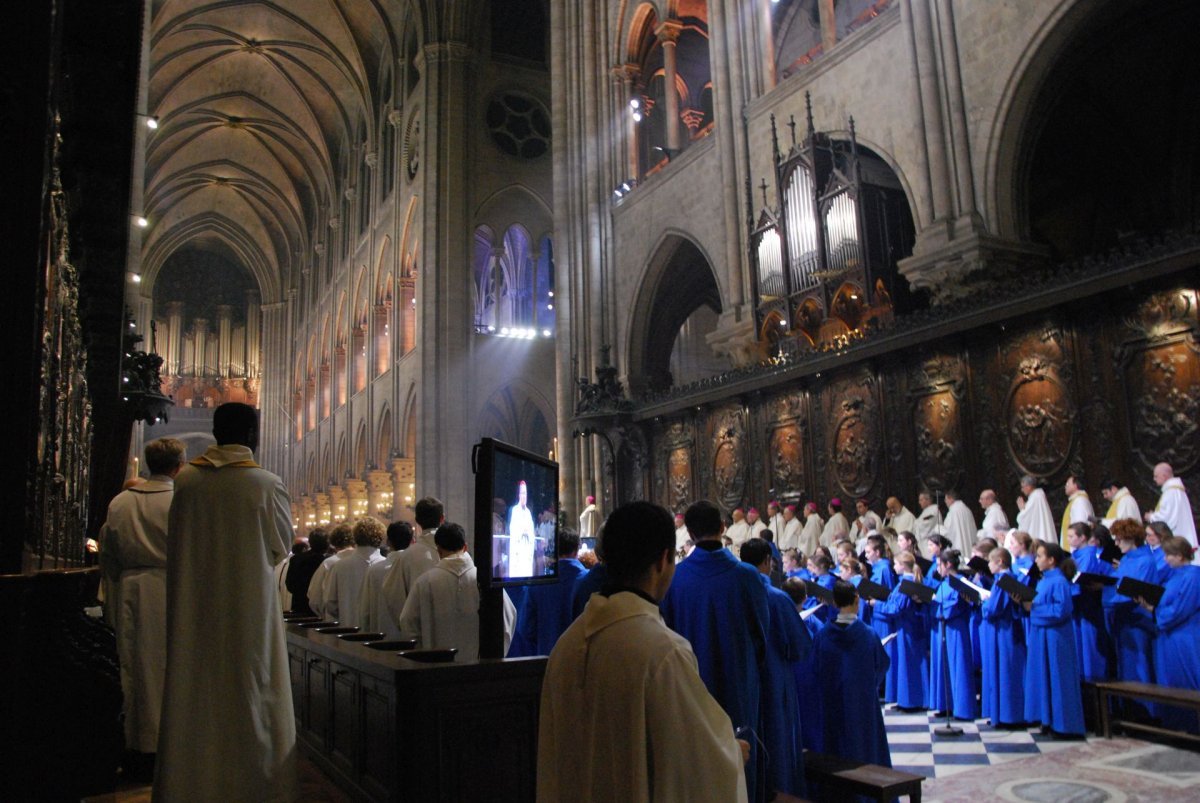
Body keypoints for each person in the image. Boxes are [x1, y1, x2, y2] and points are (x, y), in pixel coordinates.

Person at [537, 501, 748, 803]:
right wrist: (732, 755)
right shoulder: (663, 654)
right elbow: (699, 769)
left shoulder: (565, 647)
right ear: (664, 560)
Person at [155, 403, 296, 801]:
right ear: (253, 435)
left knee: (196, 691)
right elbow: (281, 547)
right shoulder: (266, 484)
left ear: (216, 433)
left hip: (194, 608)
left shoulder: (186, 483)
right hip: (249, 608)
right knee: (252, 692)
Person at [660, 500, 768, 803]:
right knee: (742, 770)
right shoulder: (747, 576)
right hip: (740, 685)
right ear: (723, 528)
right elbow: (762, 636)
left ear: (689, 534)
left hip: (692, 687)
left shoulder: (675, 579)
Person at [98, 437, 185, 773]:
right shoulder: (180, 500)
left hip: (131, 590)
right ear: (178, 466)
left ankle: (136, 742)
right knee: (170, 667)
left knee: (135, 668)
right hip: (174, 589)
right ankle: (169, 743)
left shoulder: (120, 503)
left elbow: (109, 554)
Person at [741, 538, 806, 799]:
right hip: (775, 677)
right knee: (779, 742)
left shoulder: (735, 593)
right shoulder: (778, 598)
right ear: (768, 561)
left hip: (745, 678)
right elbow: (799, 645)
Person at [808, 579, 891, 784]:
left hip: (832, 703)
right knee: (865, 750)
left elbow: (815, 669)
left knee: (836, 752)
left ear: (834, 603)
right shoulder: (868, 635)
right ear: (857, 600)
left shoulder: (823, 635)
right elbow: (881, 665)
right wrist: (869, 684)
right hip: (862, 703)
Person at [398, 522, 513, 662]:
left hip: (435, 671)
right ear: (465, 547)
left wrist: (423, 654)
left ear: (438, 550)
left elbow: (407, 622)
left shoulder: (424, 582)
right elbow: (507, 620)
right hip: (480, 672)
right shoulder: (485, 581)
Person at [1020, 542, 1086, 738]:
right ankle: (1047, 719)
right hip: (1042, 634)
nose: (1036, 560)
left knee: (1058, 677)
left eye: (1040, 556)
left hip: (1056, 636)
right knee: (1043, 676)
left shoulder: (1059, 581)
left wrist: (1034, 608)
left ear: (1051, 560)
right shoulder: (1043, 580)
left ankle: (1064, 725)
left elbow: (1061, 610)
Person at [1105, 518, 1166, 718]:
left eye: (1120, 539)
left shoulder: (1145, 560)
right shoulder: (1128, 559)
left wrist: (1112, 599)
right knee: (1126, 666)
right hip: (1123, 618)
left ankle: (1147, 714)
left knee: (1141, 665)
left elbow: (1139, 589)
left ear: (1132, 538)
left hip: (1138, 620)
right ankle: (1129, 710)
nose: (1116, 543)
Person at [1141, 536, 1200, 732]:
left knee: (1187, 678)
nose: (1165, 560)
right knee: (1169, 679)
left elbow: (1181, 609)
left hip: (1184, 636)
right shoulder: (1174, 576)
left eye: (1169, 555)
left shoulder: (1193, 576)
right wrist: (1150, 607)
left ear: (1181, 556)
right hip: (1168, 636)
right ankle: (1175, 724)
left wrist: (1156, 613)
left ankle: (1192, 726)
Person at [516, 529, 589, 655]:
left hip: (546, 661)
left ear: (553, 549)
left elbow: (526, 628)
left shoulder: (538, 583)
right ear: (577, 550)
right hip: (580, 662)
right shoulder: (588, 580)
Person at [875, 550, 930, 711]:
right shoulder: (904, 582)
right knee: (905, 662)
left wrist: (877, 605)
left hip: (908, 628)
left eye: (896, 564)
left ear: (903, 566)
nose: (893, 566)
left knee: (909, 662)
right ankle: (906, 700)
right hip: (905, 626)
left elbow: (897, 607)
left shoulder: (907, 584)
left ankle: (912, 701)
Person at [381, 496, 445, 631]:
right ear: (442, 519)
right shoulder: (458, 554)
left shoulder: (406, 556)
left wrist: (408, 628)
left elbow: (393, 596)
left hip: (420, 633)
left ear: (417, 521)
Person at [978, 547, 1025, 728]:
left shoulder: (1005, 580)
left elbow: (994, 608)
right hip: (1000, 630)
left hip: (1005, 631)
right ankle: (1000, 714)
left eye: (990, 561)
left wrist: (983, 603)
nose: (988, 565)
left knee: (1006, 671)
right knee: (999, 670)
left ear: (1000, 562)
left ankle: (1009, 716)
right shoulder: (1000, 579)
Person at [930, 549, 977, 720]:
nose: (937, 569)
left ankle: (962, 708)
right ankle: (945, 704)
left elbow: (956, 605)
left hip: (956, 628)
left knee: (958, 666)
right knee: (943, 665)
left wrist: (937, 608)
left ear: (948, 564)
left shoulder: (960, 582)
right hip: (942, 628)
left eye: (939, 565)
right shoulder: (944, 582)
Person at [1067, 521, 1114, 681]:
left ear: (1083, 538)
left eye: (1072, 536)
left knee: (1089, 652)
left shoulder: (1088, 556)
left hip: (1087, 609)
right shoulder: (1077, 555)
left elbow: (1081, 581)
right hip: (1079, 609)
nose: (1068, 539)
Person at [324, 516, 385, 627]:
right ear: (380, 537)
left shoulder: (340, 566)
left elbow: (330, 603)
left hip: (349, 630)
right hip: (381, 633)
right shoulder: (388, 566)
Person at [358, 520, 413, 635]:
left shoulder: (374, 570)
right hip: (410, 642)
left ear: (388, 542)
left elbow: (365, 611)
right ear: (412, 541)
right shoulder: (415, 568)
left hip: (380, 639)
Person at [1146, 462, 1199, 560]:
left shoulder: (1171, 492)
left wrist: (1151, 517)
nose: (1154, 479)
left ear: (1164, 476)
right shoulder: (1174, 490)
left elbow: (1167, 517)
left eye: (1156, 476)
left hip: (1177, 539)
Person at [306, 522, 353, 619]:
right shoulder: (369, 563)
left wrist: (324, 614)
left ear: (333, 542)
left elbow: (314, 598)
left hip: (333, 622)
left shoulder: (328, 563)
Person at [286, 527, 329, 616]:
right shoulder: (327, 562)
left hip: (299, 608)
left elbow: (289, 585)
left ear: (310, 543)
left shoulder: (296, 559)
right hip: (320, 611)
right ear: (327, 544)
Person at [1016, 475, 1056, 544]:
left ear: (1029, 486)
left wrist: (1022, 509)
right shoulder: (1037, 496)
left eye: (1023, 487)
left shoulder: (1035, 497)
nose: (1022, 490)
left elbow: (1024, 518)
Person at [509, 481, 537, 577]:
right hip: (518, 550)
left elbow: (531, 531)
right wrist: (522, 531)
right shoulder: (515, 510)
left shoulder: (528, 512)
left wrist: (528, 532)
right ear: (519, 495)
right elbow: (513, 529)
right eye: (522, 493)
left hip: (527, 549)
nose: (524, 496)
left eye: (525, 493)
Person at [1059, 475, 1094, 550]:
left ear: (1075, 486)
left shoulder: (1080, 501)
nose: (1065, 486)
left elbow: (1079, 525)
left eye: (1068, 484)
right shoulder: (1076, 500)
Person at [943, 489, 977, 555]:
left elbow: (948, 531)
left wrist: (939, 529)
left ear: (951, 499)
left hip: (958, 546)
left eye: (946, 499)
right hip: (969, 544)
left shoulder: (953, 511)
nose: (945, 502)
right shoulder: (967, 510)